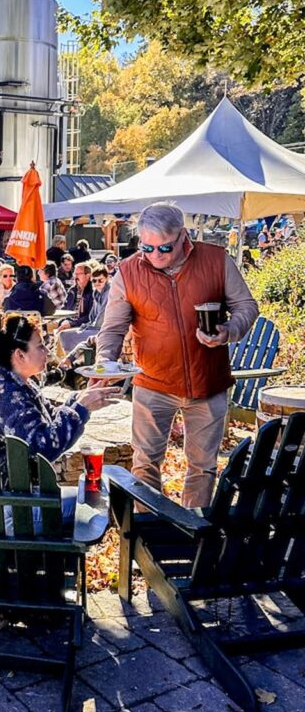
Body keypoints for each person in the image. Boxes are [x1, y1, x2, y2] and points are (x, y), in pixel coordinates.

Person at [95, 201, 259, 509]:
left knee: (202, 466)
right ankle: (149, 532)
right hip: (153, 382)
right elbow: (113, 327)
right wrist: (105, 360)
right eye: (147, 247)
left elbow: (246, 307)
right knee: (144, 464)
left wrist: (228, 331)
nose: (155, 255)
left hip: (207, 382)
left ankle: (192, 534)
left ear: (183, 236)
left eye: (165, 248)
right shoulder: (128, 272)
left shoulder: (216, 260)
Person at [0, 312, 120, 524]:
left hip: (10, 500)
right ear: (19, 355)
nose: (47, 351)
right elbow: (43, 447)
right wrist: (81, 408)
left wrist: (81, 399)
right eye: (40, 346)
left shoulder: (13, 384)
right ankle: (58, 556)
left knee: (95, 498)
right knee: (96, 504)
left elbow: (49, 422)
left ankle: (57, 556)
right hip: (4, 514)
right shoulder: (8, 396)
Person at [56, 265, 111, 355]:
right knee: (61, 332)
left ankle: (71, 361)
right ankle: (71, 360)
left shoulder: (108, 292)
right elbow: (91, 317)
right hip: (89, 326)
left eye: (100, 280)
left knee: (65, 335)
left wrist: (76, 325)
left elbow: (100, 319)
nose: (97, 283)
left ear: (107, 278)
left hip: (104, 331)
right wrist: (66, 321)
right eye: (94, 281)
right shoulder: (93, 292)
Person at [58, 262, 94, 329]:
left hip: (83, 326)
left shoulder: (93, 292)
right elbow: (64, 309)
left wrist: (72, 324)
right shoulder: (72, 291)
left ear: (88, 275)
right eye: (75, 274)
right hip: (69, 322)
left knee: (62, 334)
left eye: (78, 274)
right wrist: (63, 321)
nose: (75, 276)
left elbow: (90, 316)